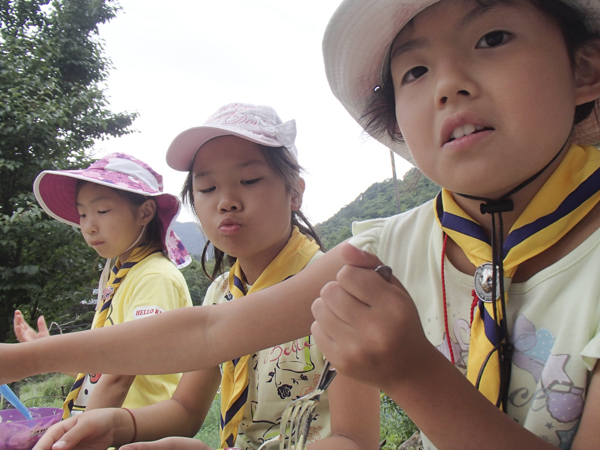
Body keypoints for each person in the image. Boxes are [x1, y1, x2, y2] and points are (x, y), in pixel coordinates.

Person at [2, 0, 600, 448]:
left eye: (492, 37)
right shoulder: (385, 248)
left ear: (584, 69)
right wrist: (22, 360)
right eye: (414, 72)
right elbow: (209, 329)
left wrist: (413, 373)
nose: (448, 84)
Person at [33, 103, 380, 450]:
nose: (226, 201)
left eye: (249, 180)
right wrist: (117, 424)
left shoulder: (337, 289)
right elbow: (185, 408)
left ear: (295, 192)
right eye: (208, 189)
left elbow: (353, 440)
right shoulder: (220, 292)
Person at [25, 153, 193, 419]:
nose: (89, 226)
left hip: (139, 435)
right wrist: (50, 352)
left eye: (102, 211)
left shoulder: (154, 277)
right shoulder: (118, 276)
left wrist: (76, 436)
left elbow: (120, 377)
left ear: (145, 212)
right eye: (82, 214)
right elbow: (101, 371)